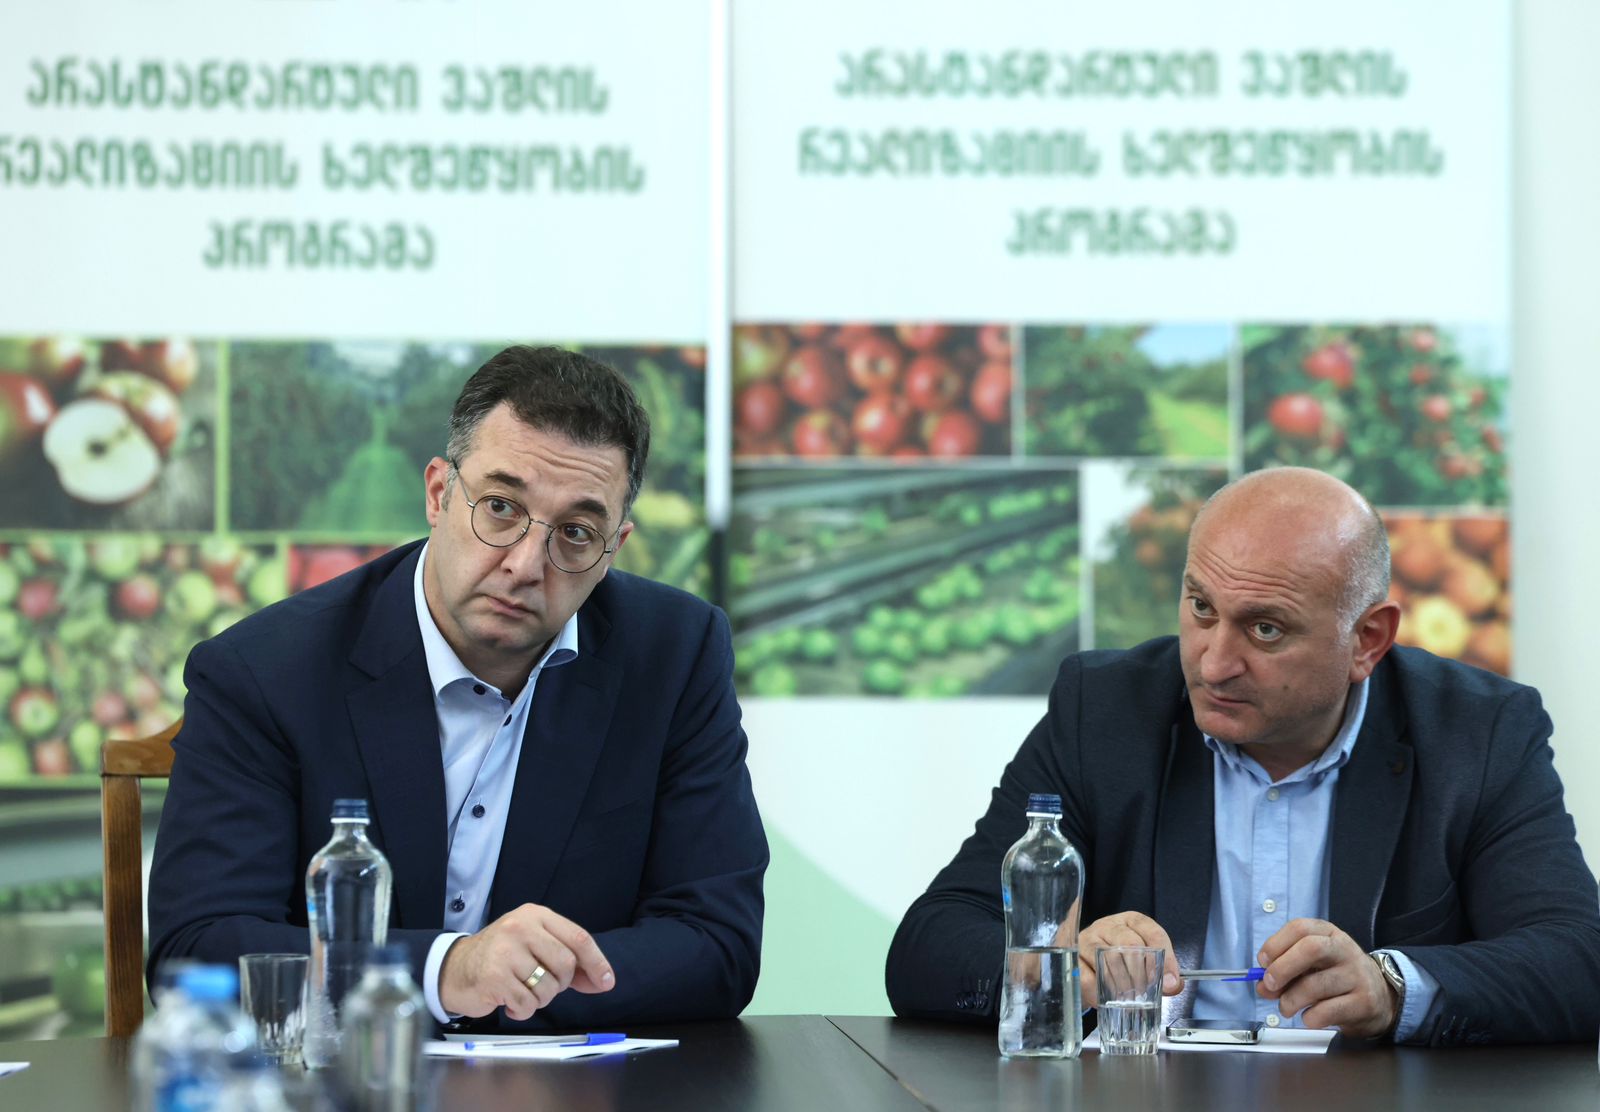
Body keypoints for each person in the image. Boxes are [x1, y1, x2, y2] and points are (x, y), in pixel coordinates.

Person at [148, 345, 767, 1030]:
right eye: (500, 507)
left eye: (575, 533)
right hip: (336, 1078)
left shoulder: (676, 656)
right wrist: (448, 973)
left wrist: (511, 991)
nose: (526, 564)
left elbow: (718, 944)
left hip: (562, 1083)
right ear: (439, 494)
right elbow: (198, 948)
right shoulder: (266, 671)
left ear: (612, 550)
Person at [886, 467, 1600, 1045]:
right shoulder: (1102, 711)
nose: (1213, 663)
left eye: (1265, 629)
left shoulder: (1479, 733)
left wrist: (1391, 989)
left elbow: (1578, 958)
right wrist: (1058, 971)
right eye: (1201, 608)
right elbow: (930, 944)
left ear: (1367, 641)